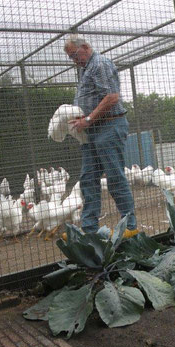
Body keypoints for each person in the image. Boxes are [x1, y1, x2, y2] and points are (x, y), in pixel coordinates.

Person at [63, 36, 138, 239]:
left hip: (109, 126)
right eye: (70, 57)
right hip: (92, 131)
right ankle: (89, 229)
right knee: (88, 179)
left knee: (114, 177)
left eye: (74, 55)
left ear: (85, 47)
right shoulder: (85, 68)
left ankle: (130, 226)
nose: (73, 60)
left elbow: (112, 97)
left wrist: (88, 118)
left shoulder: (100, 64)